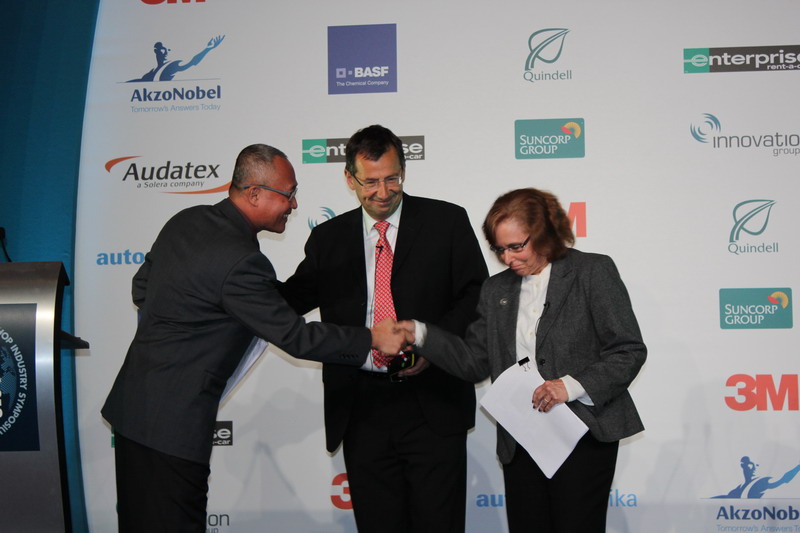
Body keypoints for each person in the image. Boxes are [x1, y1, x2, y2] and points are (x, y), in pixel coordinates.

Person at [101, 144, 407, 533]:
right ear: (255, 194)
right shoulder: (242, 261)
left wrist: (183, 333)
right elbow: (296, 337)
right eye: (288, 194)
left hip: (134, 410)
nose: (294, 205)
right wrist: (371, 339)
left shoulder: (187, 220)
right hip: (173, 424)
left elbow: (141, 288)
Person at [399, 187, 646, 533]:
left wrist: (569, 386)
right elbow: (474, 362)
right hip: (522, 438)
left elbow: (628, 350)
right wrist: (422, 334)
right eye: (499, 249)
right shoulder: (495, 289)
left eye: (516, 246)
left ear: (544, 232)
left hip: (583, 434)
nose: (507, 258)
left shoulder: (592, 270)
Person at [280, 125, 488, 532]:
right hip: (361, 408)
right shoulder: (328, 238)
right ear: (349, 179)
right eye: (371, 181)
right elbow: (290, 300)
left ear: (404, 171)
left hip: (433, 402)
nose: (383, 191)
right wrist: (231, 277)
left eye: (392, 178)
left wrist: (431, 346)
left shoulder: (446, 221)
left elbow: (475, 295)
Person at [127, 35, 224, 82]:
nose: (166, 52)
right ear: (156, 51)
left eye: (168, 49)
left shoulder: (172, 66)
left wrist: (207, 49)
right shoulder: (151, 72)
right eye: (163, 49)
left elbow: (192, 62)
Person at [713, 456, 800, 499]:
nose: (752, 467)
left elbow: (782, 480)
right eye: (747, 465)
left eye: (756, 465)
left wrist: (798, 467)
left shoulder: (762, 482)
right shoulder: (743, 484)